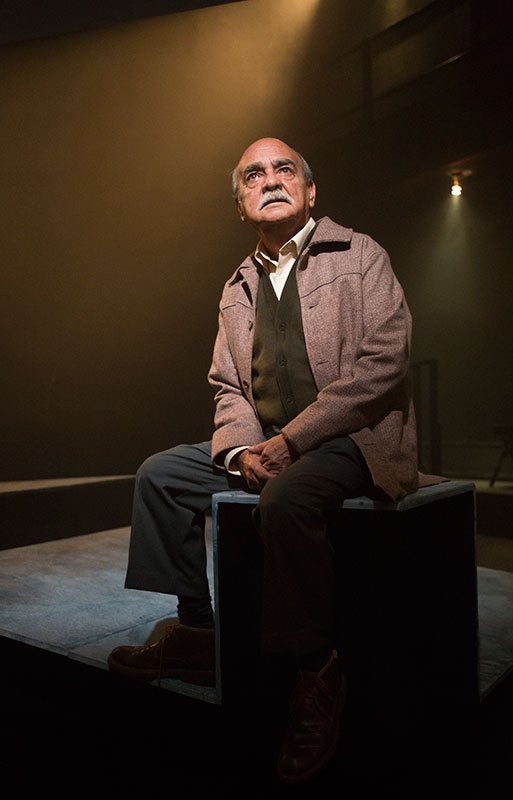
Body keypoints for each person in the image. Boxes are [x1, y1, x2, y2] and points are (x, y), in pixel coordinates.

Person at [107, 137, 420, 784]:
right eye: (253, 175)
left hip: (350, 439)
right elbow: (227, 385)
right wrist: (243, 449)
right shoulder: (237, 286)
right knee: (160, 475)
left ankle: (316, 673)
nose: (270, 180)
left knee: (286, 499)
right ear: (240, 203)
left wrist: (292, 442)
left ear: (310, 191)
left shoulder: (359, 254)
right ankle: (200, 635)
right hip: (269, 442)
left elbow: (384, 365)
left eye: (284, 170)